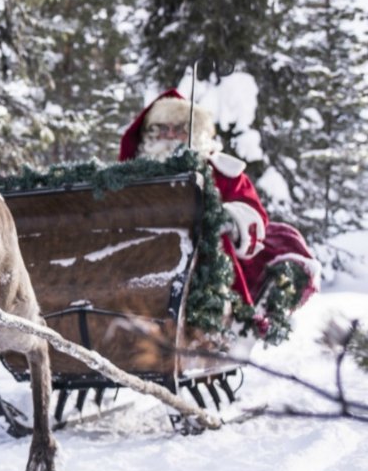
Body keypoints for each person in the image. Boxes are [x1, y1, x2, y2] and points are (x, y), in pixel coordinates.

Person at [119, 89, 320, 338]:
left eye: (179, 128)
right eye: (161, 128)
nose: (169, 136)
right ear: (148, 135)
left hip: (204, 270)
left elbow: (251, 211)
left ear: (194, 134)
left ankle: (215, 323)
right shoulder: (129, 178)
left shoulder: (222, 171)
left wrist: (223, 218)